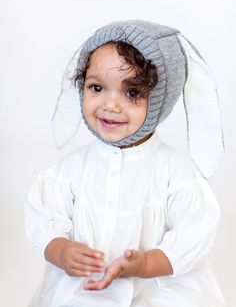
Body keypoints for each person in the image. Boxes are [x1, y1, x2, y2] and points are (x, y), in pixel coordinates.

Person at [25, 20, 225, 306]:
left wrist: (146, 264)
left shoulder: (175, 172)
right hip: (83, 289)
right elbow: (43, 214)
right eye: (96, 88)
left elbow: (196, 231)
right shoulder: (71, 169)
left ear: (160, 100)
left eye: (132, 93)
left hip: (156, 290)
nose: (110, 105)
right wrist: (60, 249)